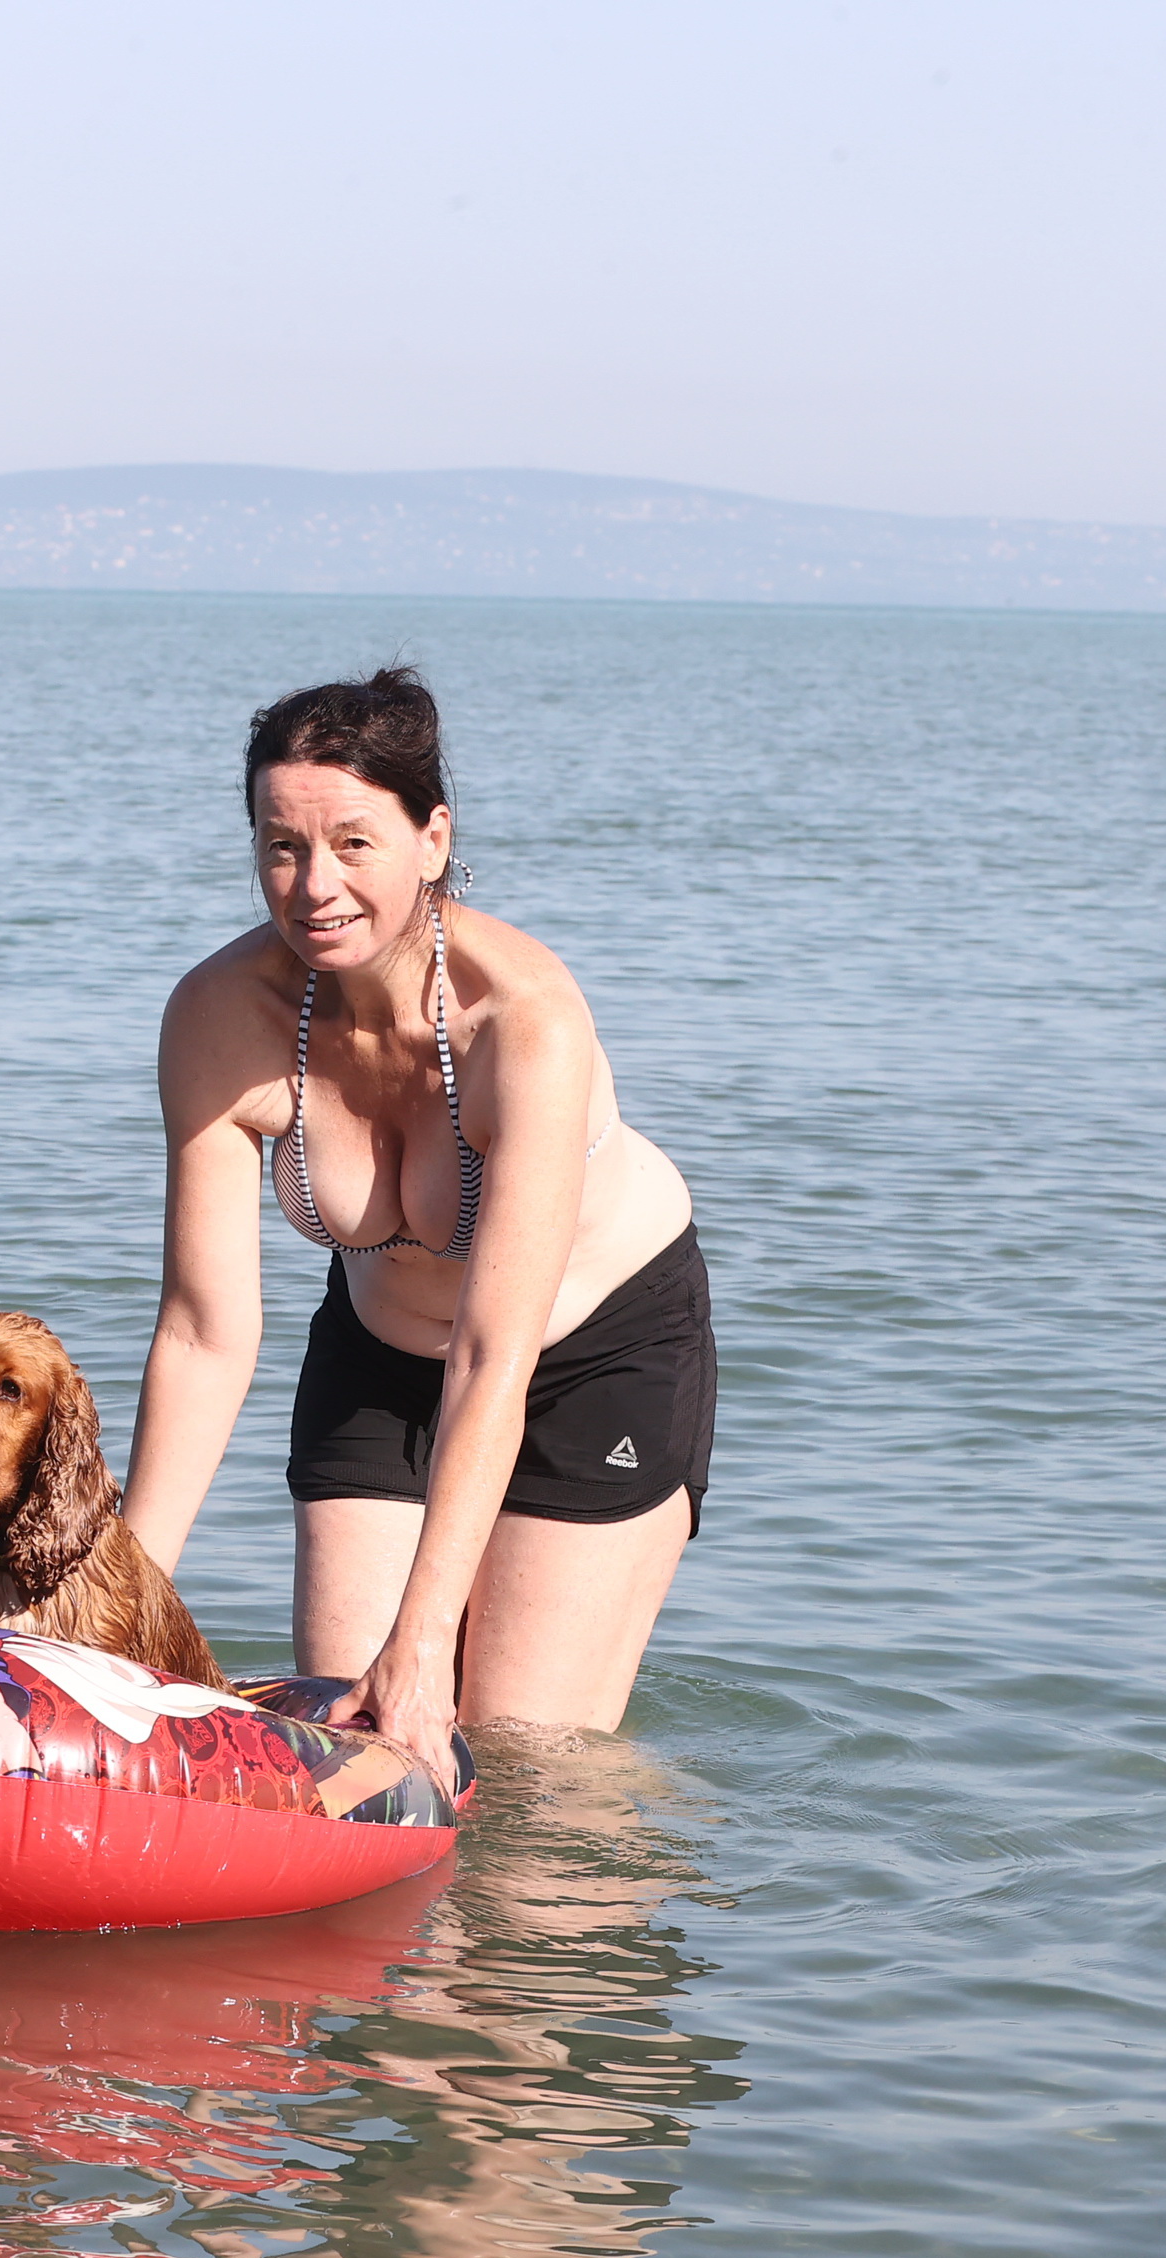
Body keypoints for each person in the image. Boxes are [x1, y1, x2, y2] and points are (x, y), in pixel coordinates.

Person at [120, 669, 711, 1790]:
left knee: (524, 1765)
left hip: (591, 1357)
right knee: (357, 1748)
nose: (314, 885)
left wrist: (426, 1632)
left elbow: (497, 1351)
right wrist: (117, 1601)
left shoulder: (521, 1020)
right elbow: (203, 1333)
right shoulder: (217, 1017)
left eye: (354, 842)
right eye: (281, 845)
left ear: (432, 838)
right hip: (381, 1350)